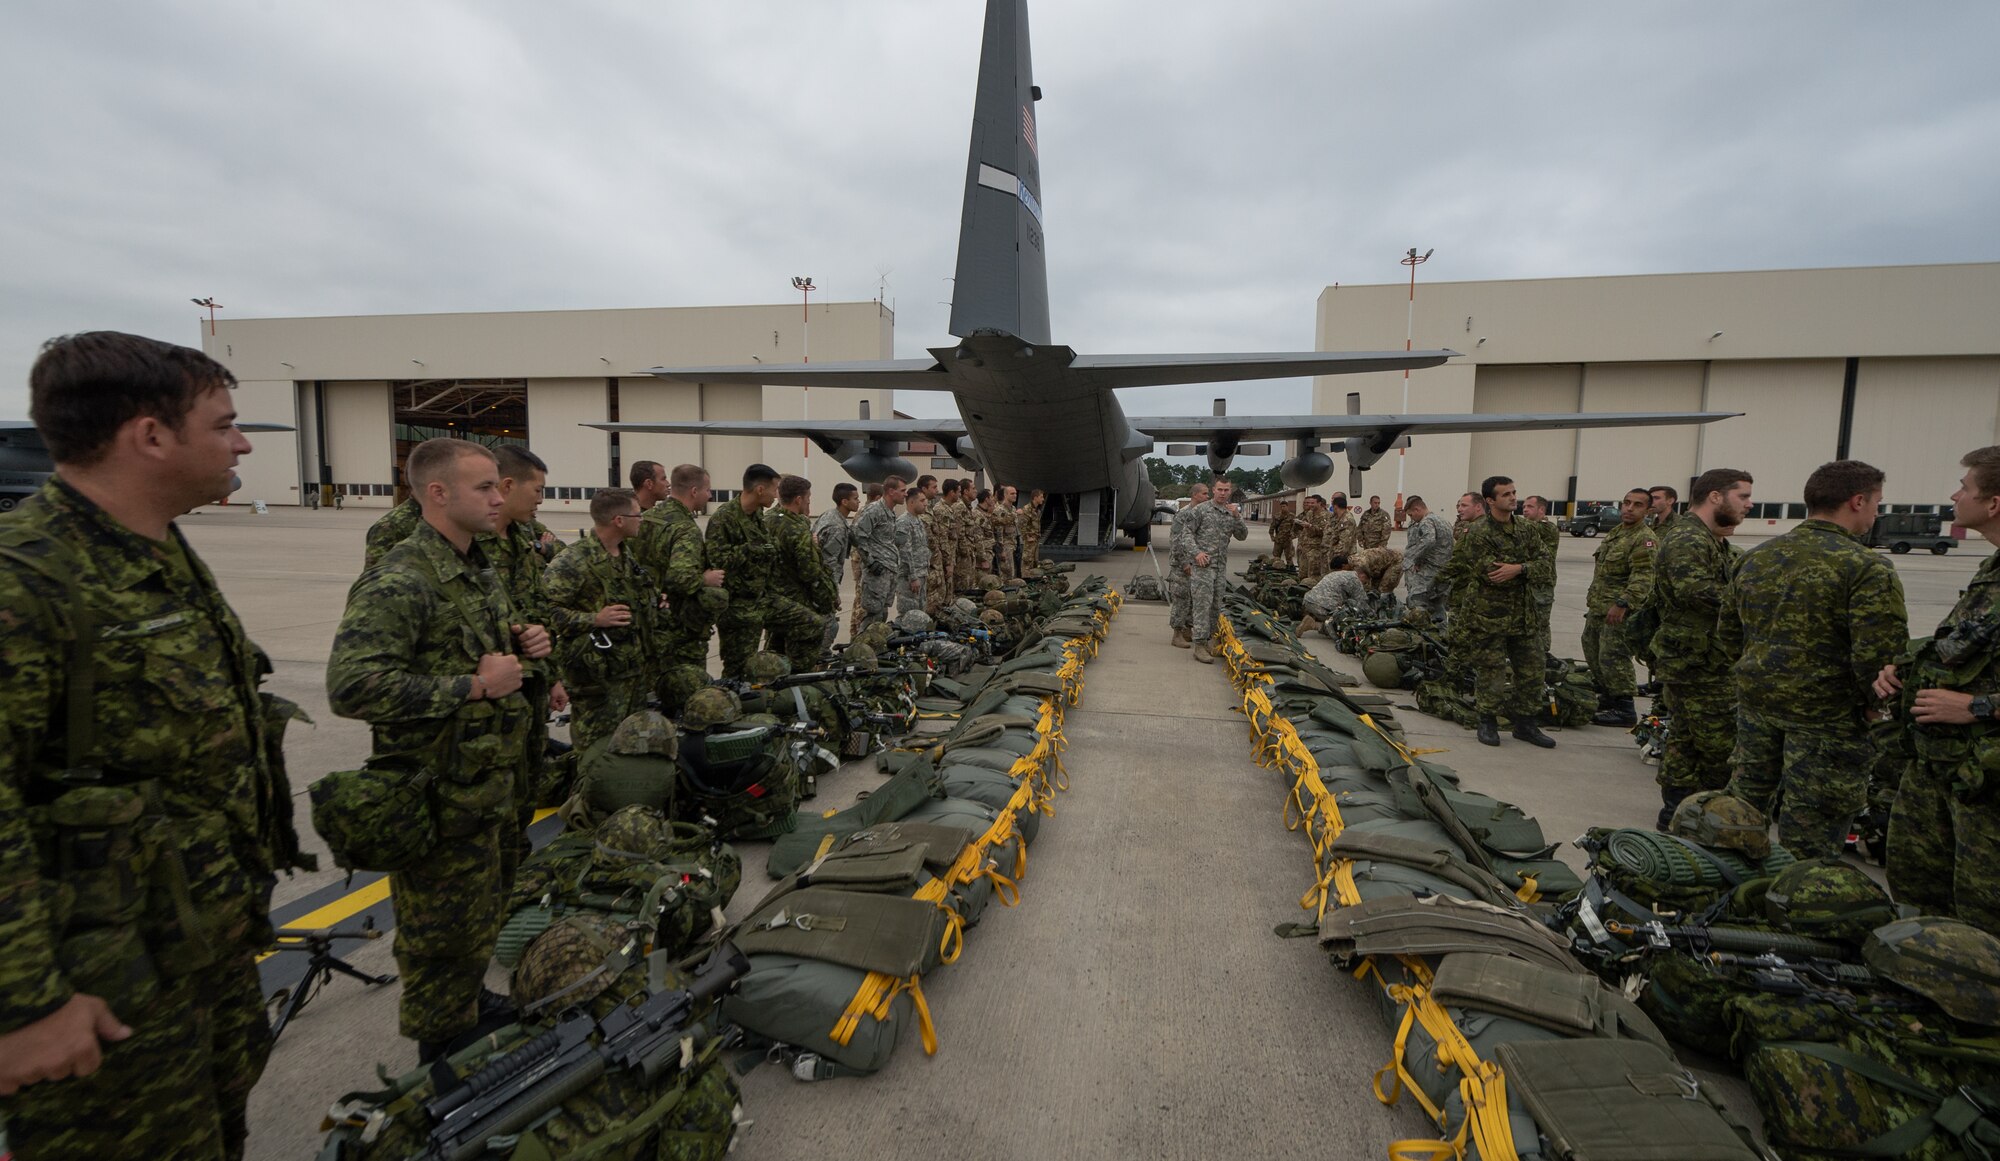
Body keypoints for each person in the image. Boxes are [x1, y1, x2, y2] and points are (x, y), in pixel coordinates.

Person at [0, 333, 311, 1158]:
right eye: (224, 424)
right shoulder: (27, 581)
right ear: (150, 436)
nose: (242, 443)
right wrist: (23, 1005)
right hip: (96, 989)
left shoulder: (161, 555)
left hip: (189, 949)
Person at [327, 437, 550, 1060]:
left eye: (499, 485)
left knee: (478, 920)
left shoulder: (476, 567)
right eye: (484, 487)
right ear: (438, 493)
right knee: (440, 935)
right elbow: (351, 686)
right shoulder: (401, 578)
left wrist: (522, 637)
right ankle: (443, 1064)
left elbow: (470, 640)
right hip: (437, 795)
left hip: (487, 787)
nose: (497, 496)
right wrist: (475, 686)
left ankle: (469, 1002)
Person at [1720, 460, 1907, 859]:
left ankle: (1732, 903)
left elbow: (1728, 636)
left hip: (1757, 706)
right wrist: (1878, 712)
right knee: (1813, 831)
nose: (1877, 513)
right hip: (1829, 721)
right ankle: (1795, 910)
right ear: (1857, 501)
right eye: (1877, 503)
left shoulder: (1756, 558)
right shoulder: (1866, 567)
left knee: (1741, 813)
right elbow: (1878, 659)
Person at [1879, 446, 2000, 930]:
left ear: (1993, 503)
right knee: (1920, 897)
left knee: (1983, 917)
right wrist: (1906, 668)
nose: (1954, 495)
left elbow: (1976, 691)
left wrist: (1977, 706)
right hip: (1944, 765)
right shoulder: (1991, 569)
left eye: (1966, 488)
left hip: (1985, 778)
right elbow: (1969, 647)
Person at [1651, 468, 1754, 829]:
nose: (1749, 504)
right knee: (1716, 742)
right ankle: (1703, 813)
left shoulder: (1710, 539)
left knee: (1687, 738)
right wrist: (1759, 600)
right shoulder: (1688, 539)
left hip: (1703, 656)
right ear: (1715, 496)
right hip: (1698, 661)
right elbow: (1695, 591)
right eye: (1742, 496)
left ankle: (1677, 809)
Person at [540, 488, 659, 751]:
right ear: (619, 520)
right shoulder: (573, 561)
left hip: (632, 674)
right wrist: (595, 619)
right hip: (597, 681)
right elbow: (546, 613)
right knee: (594, 752)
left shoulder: (626, 556)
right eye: (637, 514)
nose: (642, 519)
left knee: (629, 747)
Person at [1444, 476, 1557, 749]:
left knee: (1532, 669)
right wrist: (1525, 566)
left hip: (1525, 615)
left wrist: (1519, 569)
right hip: (1489, 615)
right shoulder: (1479, 532)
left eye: (1514, 492)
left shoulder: (1528, 530)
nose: (1512, 498)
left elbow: (1546, 566)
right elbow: (1490, 572)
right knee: (1491, 671)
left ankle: (1526, 724)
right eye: (1505, 494)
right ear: (1490, 501)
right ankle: (1487, 721)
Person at [628, 463, 726, 715]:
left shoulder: (646, 519)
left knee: (652, 693)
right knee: (687, 697)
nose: (710, 496)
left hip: (647, 623)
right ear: (694, 491)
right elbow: (681, 577)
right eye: (707, 490)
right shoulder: (684, 528)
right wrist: (704, 579)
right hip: (680, 630)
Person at [1582, 488, 1658, 728]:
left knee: (1613, 656)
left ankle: (1625, 708)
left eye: (1637, 505)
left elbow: (1644, 576)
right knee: (1592, 648)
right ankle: (1608, 697)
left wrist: (1623, 603)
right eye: (1626, 503)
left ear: (1647, 510)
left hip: (1618, 610)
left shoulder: (1644, 539)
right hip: (1599, 607)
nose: (1629, 508)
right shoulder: (1617, 533)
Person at [705, 464, 782, 680]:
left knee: (809, 623)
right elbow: (717, 560)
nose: (776, 495)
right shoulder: (724, 519)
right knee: (738, 668)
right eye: (774, 489)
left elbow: (767, 544)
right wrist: (751, 550)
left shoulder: (756, 514)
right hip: (737, 606)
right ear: (760, 489)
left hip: (760, 599)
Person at [765, 474, 838, 672]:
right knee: (799, 662)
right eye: (808, 498)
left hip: (772, 600)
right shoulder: (797, 529)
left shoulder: (767, 520)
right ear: (798, 500)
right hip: (797, 601)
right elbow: (811, 573)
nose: (809, 502)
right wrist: (829, 599)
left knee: (773, 656)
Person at [1186, 479, 1248, 664]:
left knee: (1215, 605)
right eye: (1219, 489)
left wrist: (1237, 516)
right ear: (1213, 490)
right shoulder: (1201, 510)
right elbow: (1186, 534)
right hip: (1203, 567)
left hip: (1220, 568)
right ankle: (1199, 645)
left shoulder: (1231, 513)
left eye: (1226, 490)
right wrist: (1196, 553)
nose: (1222, 493)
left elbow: (1242, 535)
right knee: (1201, 606)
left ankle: (1211, 640)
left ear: (1230, 491)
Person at [854, 475, 906, 628]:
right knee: (873, 615)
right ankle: (861, 648)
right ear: (891, 491)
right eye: (902, 490)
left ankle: (875, 647)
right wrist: (870, 562)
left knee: (882, 614)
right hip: (877, 573)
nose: (905, 494)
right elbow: (858, 536)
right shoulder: (875, 510)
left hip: (888, 570)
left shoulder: (890, 512)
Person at [813, 482, 860, 647]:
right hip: (823, 587)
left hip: (817, 584)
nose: (858, 502)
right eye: (855, 498)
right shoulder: (837, 527)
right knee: (827, 630)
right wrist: (833, 593)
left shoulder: (829, 515)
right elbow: (829, 563)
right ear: (844, 502)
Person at [1166, 482, 1209, 648]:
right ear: (1195, 495)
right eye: (1204, 494)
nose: (1207, 497)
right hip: (1181, 565)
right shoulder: (1183, 514)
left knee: (1194, 599)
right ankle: (1176, 634)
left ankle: (1187, 630)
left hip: (1197, 563)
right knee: (1181, 598)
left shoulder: (1203, 513)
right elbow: (1176, 541)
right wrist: (1184, 563)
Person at [1518, 495, 1560, 658]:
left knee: (1540, 622)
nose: (1525, 510)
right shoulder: (1527, 527)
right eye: (1524, 507)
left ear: (1541, 510)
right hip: (1528, 581)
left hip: (1541, 583)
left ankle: (1543, 654)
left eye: (1530, 507)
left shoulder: (1546, 528)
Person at [1401, 495, 1454, 623]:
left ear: (1417, 509)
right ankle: (1442, 628)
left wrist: (1417, 560)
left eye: (1411, 515)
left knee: (1416, 599)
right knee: (1438, 601)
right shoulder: (1443, 521)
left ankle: (1422, 629)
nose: (1412, 518)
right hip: (1444, 569)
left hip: (1430, 569)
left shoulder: (1426, 522)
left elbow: (1428, 540)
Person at [896, 490, 932, 615]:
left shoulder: (918, 520)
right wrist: (913, 577)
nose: (926, 503)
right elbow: (905, 551)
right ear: (911, 502)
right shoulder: (904, 522)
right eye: (922, 501)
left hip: (921, 573)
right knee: (909, 614)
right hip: (910, 577)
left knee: (920, 612)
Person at [1296, 494, 1330, 582]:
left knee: (1313, 576)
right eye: (1309, 503)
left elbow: (1325, 532)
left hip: (1316, 550)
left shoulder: (1327, 516)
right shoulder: (1309, 513)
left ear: (1319, 503)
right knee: (1302, 574)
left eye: (1312, 503)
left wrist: (1310, 526)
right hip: (1305, 548)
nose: (1310, 505)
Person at [990, 487, 1018, 580]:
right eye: (1012, 494)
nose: (1015, 495)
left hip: (1012, 544)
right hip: (1004, 546)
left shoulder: (1013, 509)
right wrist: (1001, 550)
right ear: (1005, 495)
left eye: (1015, 493)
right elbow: (998, 532)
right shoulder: (1000, 510)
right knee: (1006, 574)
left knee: (1012, 573)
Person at [1326, 496, 1360, 573]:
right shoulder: (1338, 518)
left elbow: (1345, 543)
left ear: (1335, 506)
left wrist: (1337, 558)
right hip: (1337, 555)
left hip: (1344, 558)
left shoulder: (1347, 520)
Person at [1022, 488, 1046, 571]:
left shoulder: (1037, 511)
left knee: (1035, 561)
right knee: (1027, 561)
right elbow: (1022, 525)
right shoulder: (1027, 509)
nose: (1043, 499)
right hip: (1030, 541)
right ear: (1035, 498)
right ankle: (1026, 578)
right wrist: (1027, 537)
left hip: (1035, 540)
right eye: (1041, 497)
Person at [1270, 500, 1298, 567]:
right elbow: (1272, 527)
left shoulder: (1292, 516)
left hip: (1287, 540)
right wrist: (1272, 537)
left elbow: (1296, 528)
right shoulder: (1277, 516)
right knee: (1276, 557)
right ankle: (1276, 569)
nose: (1283, 508)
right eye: (1281, 506)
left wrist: (1293, 536)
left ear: (1287, 507)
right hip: (1278, 540)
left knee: (1289, 557)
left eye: (1284, 506)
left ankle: (1290, 568)